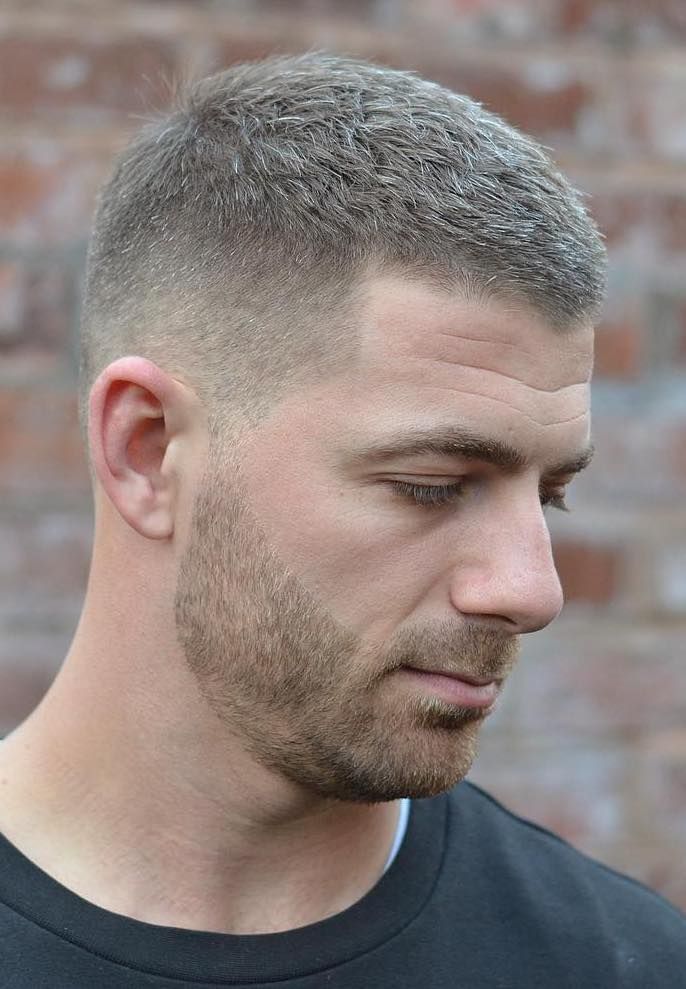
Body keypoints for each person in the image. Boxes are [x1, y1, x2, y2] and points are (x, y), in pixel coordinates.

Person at [0, 52, 683, 988]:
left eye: (551, 493)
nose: (532, 590)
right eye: (433, 483)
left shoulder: (618, 963)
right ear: (148, 450)